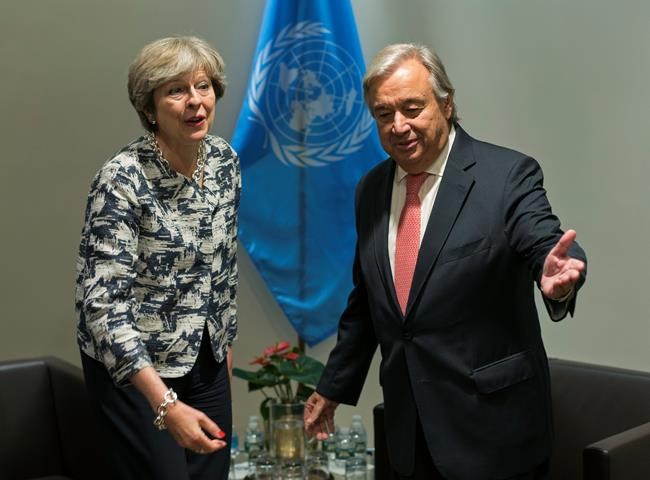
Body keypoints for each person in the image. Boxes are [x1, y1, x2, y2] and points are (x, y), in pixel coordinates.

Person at [304, 43, 587, 480]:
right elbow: (368, 305)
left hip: (494, 437)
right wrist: (332, 388)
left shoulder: (506, 176)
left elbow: (546, 243)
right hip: (409, 433)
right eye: (384, 114)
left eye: (412, 108)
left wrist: (559, 275)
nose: (399, 126)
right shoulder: (371, 190)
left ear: (447, 103)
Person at [75, 36, 240, 480]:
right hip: (135, 369)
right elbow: (102, 306)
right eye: (176, 90)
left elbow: (223, 266)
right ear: (149, 108)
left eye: (203, 86)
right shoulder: (121, 179)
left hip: (204, 357)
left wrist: (223, 344)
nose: (195, 101)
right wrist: (165, 403)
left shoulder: (224, 161)